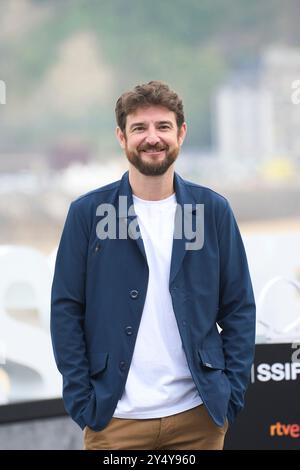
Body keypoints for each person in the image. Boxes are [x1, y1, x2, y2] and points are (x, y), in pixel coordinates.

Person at [50, 81, 256, 450]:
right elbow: (66, 311)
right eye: (139, 128)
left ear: (181, 133)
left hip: (199, 419)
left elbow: (239, 308)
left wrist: (230, 396)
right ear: (121, 136)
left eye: (163, 126)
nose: (152, 138)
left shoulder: (212, 212)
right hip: (115, 422)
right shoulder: (88, 214)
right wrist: (83, 402)